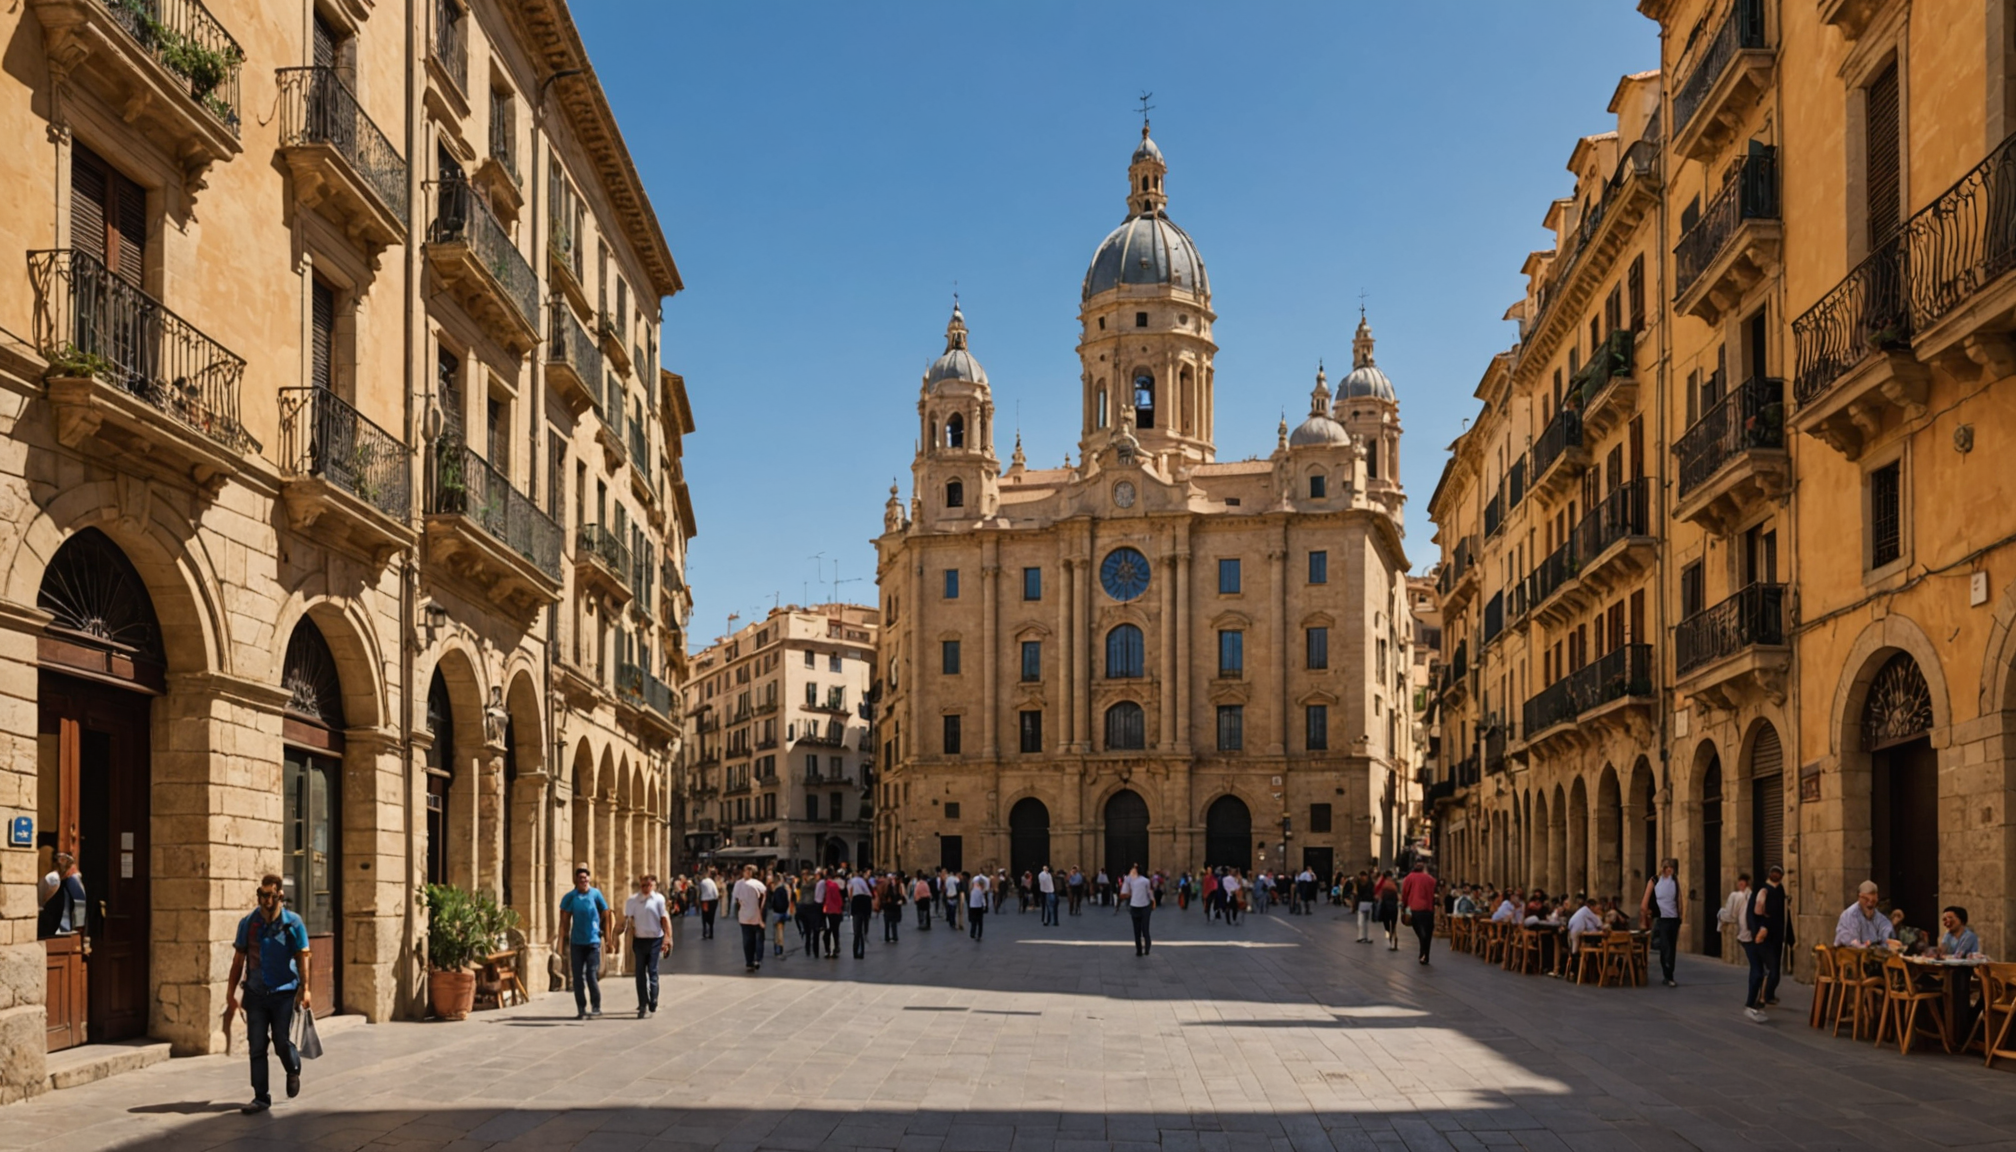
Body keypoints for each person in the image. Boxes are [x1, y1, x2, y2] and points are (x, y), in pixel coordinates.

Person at [227, 874, 311, 1113]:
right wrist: (230, 993)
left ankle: (292, 1068)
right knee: (256, 1045)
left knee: (281, 1039)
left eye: (271, 896)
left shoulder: (293, 923)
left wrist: (305, 989)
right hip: (255, 992)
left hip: (284, 992)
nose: (266, 900)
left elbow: (303, 957)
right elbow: (238, 960)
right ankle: (261, 1097)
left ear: (280, 896)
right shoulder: (248, 923)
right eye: (262, 895)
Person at [558, 866, 613, 1019]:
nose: (584, 881)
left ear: (589, 879)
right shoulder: (571, 897)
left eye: (586, 878)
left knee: (591, 974)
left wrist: (607, 938)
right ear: (576, 880)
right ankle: (581, 1008)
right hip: (577, 942)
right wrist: (561, 942)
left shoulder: (595, 894)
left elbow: (607, 913)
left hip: (593, 942)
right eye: (581, 878)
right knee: (577, 977)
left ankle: (596, 1006)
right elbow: (564, 920)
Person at [623, 874, 672, 1018]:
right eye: (644, 885)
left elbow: (664, 920)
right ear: (640, 885)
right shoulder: (632, 901)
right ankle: (643, 1003)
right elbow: (627, 920)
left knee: (653, 971)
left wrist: (667, 939)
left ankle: (654, 999)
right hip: (639, 940)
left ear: (654, 886)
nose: (646, 888)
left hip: (655, 940)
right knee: (639, 973)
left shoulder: (659, 899)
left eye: (649, 885)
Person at [1744, 865, 1788, 1022]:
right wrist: (1758, 930)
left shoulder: (1780, 889)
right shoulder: (1762, 890)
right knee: (1768, 969)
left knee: (1771, 969)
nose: (1776, 874)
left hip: (1775, 935)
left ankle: (1765, 996)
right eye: (1774, 872)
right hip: (1762, 936)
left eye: (1779, 872)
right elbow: (1755, 912)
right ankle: (1758, 1000)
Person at [1641, 858, 1682, 986]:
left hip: (1674, 918)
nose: (1670, 870)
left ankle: (1669, 974)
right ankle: (1667, 975)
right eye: (1667, 867)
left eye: (1672, 868)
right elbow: (1645, 899)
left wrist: (1681, 915)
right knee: (1665, 947)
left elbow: (1679, 898)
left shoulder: (1675, 880)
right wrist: (1644, 916)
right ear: (1663, 868)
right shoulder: (1654, 880)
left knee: (1672, 947)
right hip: (1661, 918)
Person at [37, 852, 85, 940]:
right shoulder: (56, 878)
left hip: (64, 926)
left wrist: (79, 924)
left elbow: (80, 903)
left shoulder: (72, 880)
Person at [729, 865, 767, 971]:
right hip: (745, 917)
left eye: (750, 871)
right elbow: (736, 898)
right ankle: (749, 961)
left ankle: (756, 959)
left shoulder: (758, 884)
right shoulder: (739, 884)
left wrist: (761, 913)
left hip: (756, 916)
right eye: (746, 870)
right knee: (747, 940)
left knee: (757, 939)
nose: (748, 873)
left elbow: (764, 898)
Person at [1834, 880, 1894, 947]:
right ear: (1859, 897)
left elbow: (1887, 935)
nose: (1870, 904)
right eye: (1866, 899)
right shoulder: (1850, 915)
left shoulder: (1879, 918)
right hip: (1849, 954)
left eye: (1873, 901)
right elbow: (1855, 945)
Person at [1400, 863, 1437, 965]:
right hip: (1429, 908)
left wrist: (1404, 906)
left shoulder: (1409, 877)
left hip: (1416, 908)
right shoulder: (1430, 879)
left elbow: (1405, 893)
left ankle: (1423, 953)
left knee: (1420, 931)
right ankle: (1425, 955)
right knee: (1428, 932)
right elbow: (1434, 890)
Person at [1122, 865, 1154, 956]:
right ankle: (1147, 949)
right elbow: (1149, 892)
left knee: (1137, 931)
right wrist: (1153, 901)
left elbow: (1127, 891)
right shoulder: (1146, 881)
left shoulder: (1132, 881)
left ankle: (1139, 950)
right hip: (1144, 907)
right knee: (1145, 929)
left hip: (1135, 906)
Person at [765, 873, 794, 959]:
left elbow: (772, 902)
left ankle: (777, 948)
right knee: (780, 931)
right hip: (783, 912)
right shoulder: (785, 889)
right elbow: (788, 901)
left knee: (776, 932)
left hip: (776, 913)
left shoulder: (775, 890)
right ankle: (780, 948)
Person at [848, 868, 874, 958]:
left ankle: (855, 952)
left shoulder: (855, 897)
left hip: (856, 913)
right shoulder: (867, 897)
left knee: (856, 933)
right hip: (864, 913)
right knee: (862, 933)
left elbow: (850, 893)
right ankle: (861, 952)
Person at [820, 868, 846, 958]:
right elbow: (839, 899)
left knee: (827, 931)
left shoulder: (824, 885)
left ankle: (827, 950)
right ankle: (835, 948)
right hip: (836, 911)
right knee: (835, 930)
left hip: (827, 911)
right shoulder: (834, 886)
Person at [696, 869, 719, 940]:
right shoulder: (711, 882)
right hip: (712, 900)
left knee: (704, 916)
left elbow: (699, 892)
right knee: (711, 916)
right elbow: (715, 891)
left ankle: (704, 931)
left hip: (704, 900)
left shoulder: (702, 882)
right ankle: (711, 932)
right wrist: (716, 897)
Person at [966, 870, 989, 940]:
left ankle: (972, 933)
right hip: (979, 907)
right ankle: (979, 934)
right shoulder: (980, 890)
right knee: (980, 922)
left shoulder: (972, 890)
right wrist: (985, 906)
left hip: (972, 906)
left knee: (973, 921)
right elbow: (983, 899)